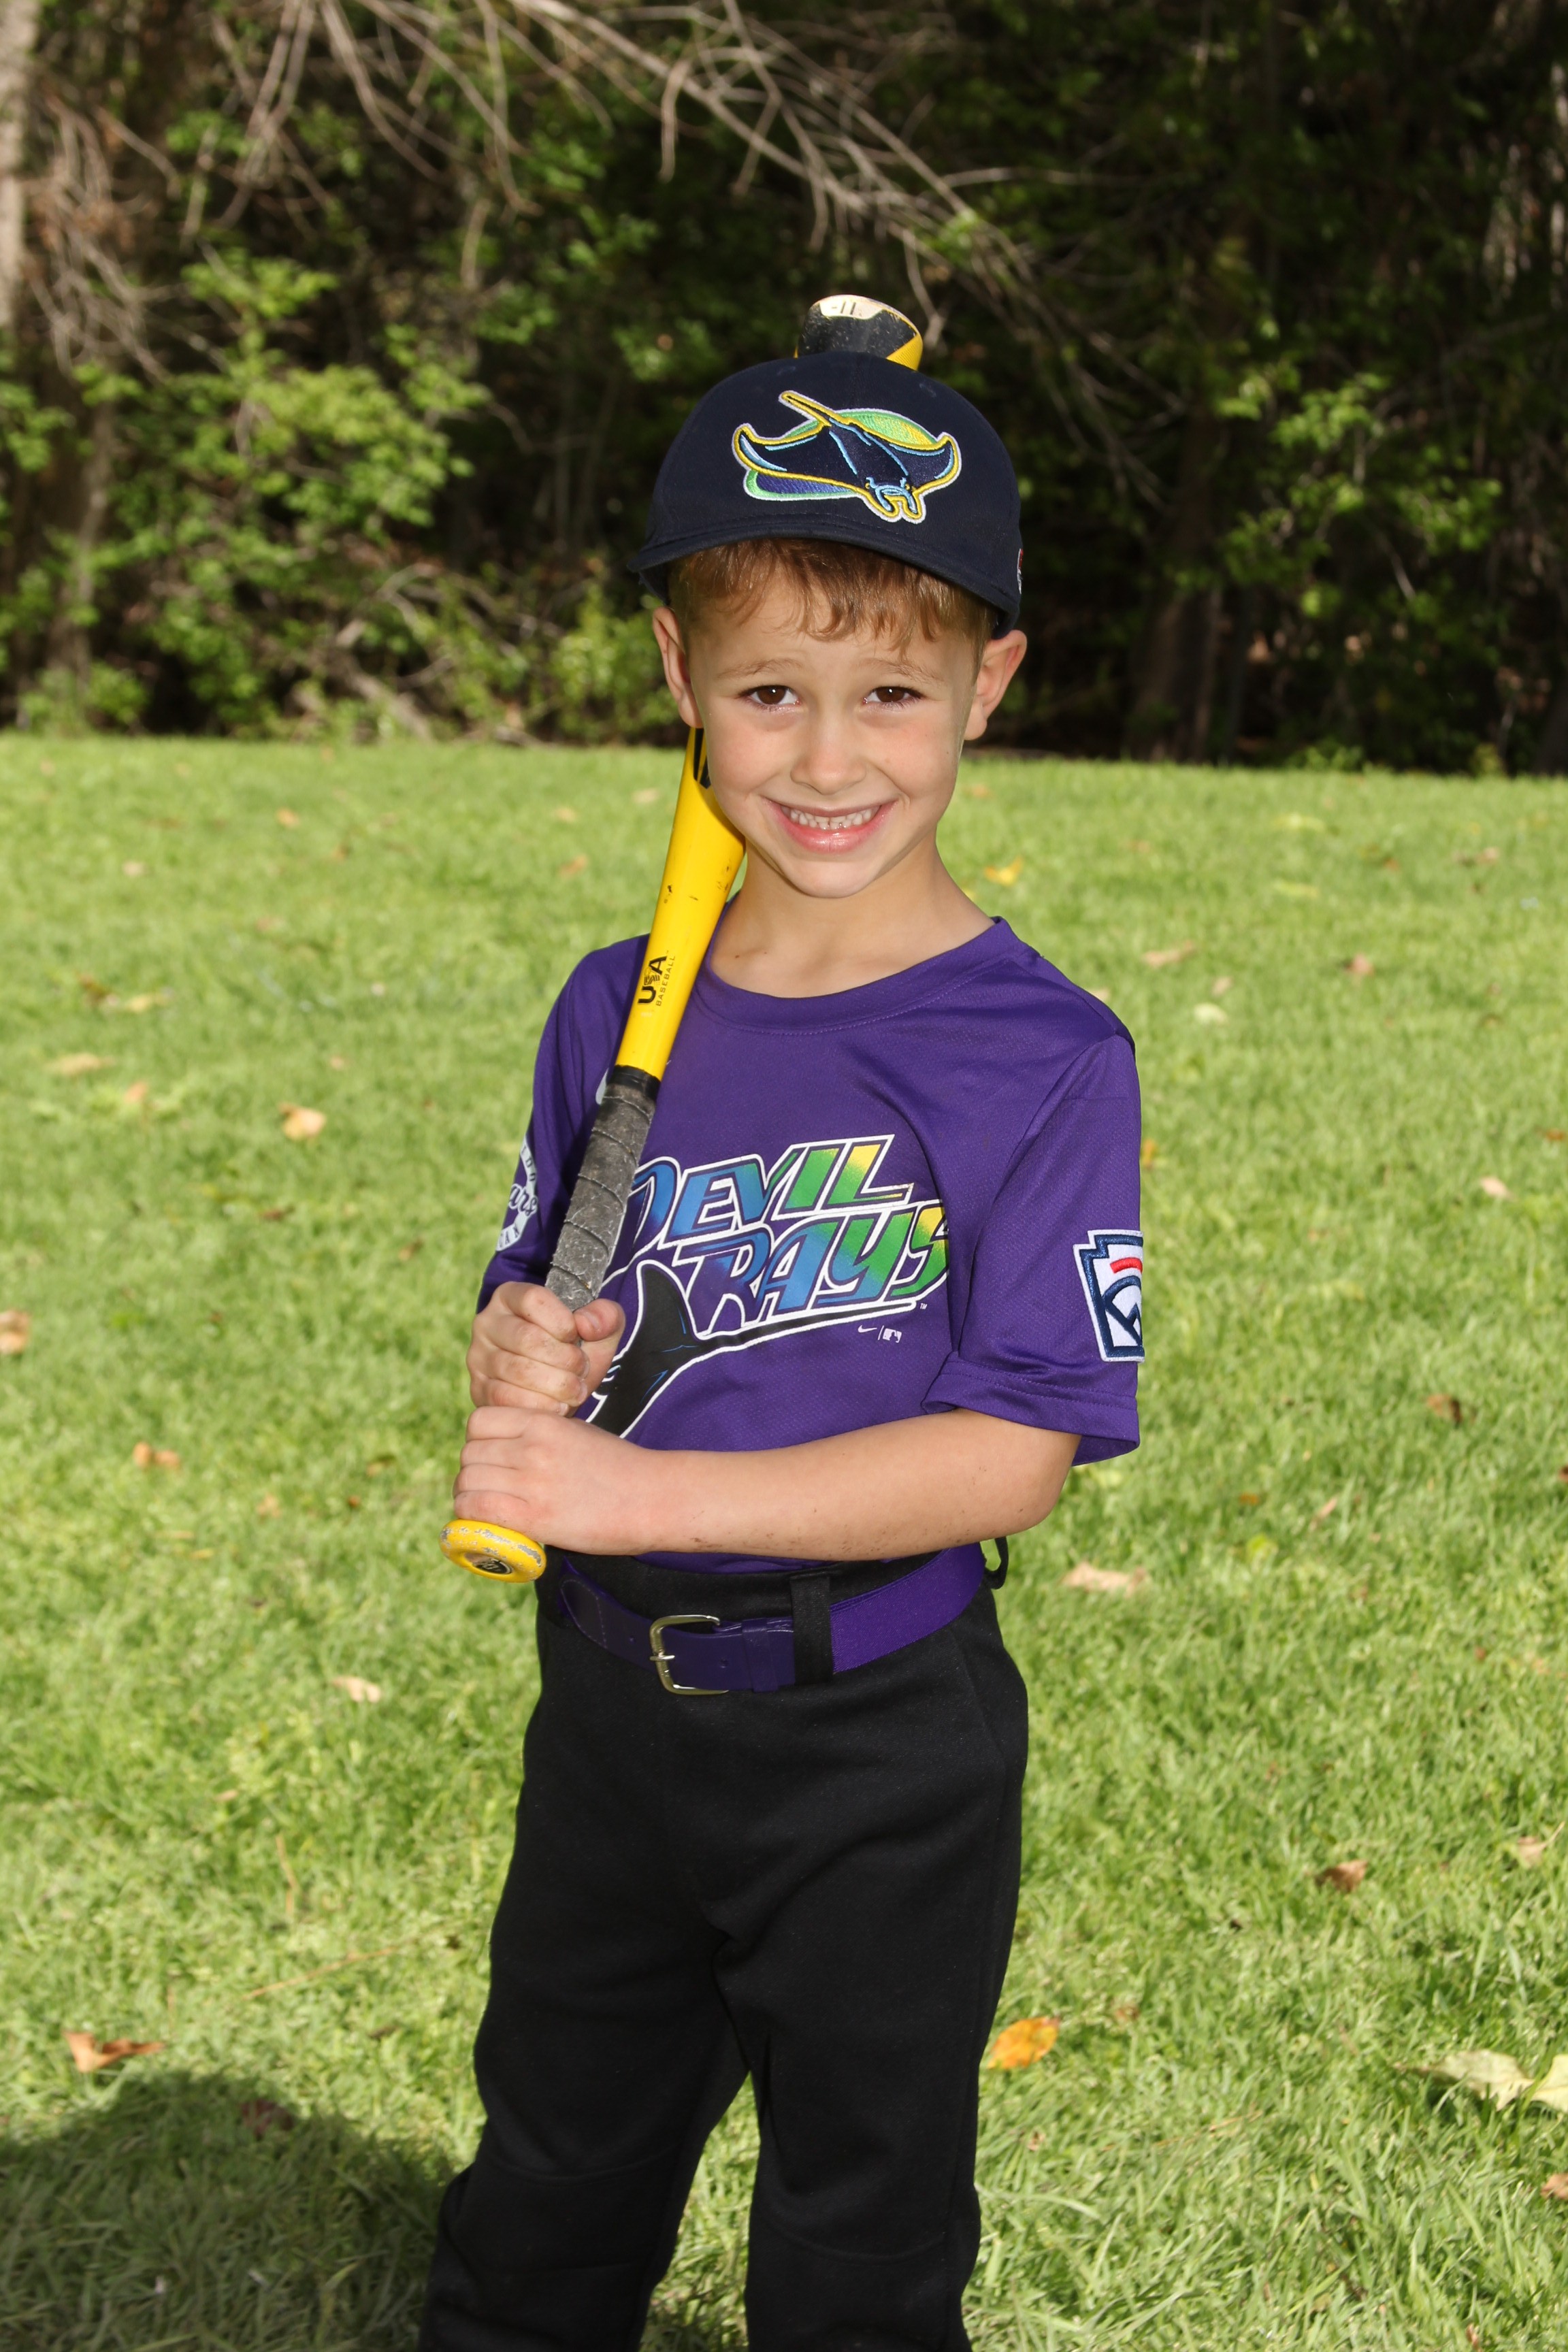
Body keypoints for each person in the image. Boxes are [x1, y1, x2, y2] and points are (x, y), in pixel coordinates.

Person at [421, 340, 1143, 2352]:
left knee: (860, 2240)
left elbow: (1015, 1454)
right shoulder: (614, 1006)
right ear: (681, 676)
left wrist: (633, 1491)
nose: (829, 758)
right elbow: (541, 1290)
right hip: (613, 1712)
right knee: (547, 2186)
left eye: (892, 693)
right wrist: (519, 1351)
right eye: (768, 694)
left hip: (879, 1738)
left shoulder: (1043, 1053)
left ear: (990, 685)